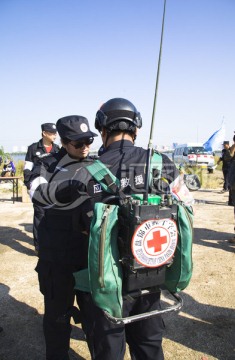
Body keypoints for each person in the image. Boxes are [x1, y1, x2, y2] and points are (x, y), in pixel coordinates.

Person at [74, 98, 193, 360]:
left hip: (106, 280)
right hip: (152, 271)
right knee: (149, 343)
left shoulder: (86, 171)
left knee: (109, 348)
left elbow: (81, 227)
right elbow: (187, 205)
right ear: (136, 128)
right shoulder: (161, 163)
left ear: (103, 130)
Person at [29, 115, 98, 360]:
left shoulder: (97, 164)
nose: (86, 147)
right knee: (57, 319)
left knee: (95, 319)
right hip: (56, 258)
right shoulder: (46, 165)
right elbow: (36, 193)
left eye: (89, 140)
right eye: (79, 143)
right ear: (65, 142)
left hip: (88, 258)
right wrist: (65, 189)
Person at [23, 123, 60, 252]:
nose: (55, 135)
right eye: (52, 133)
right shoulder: (33, 148)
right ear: (44, 133)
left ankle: (53, 243)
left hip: (53, 187)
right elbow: (27, 168)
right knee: (40, 214)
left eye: (56, 133)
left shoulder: (57, 149)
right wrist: (28, 184)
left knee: (53, 214)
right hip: (37, 185)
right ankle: (39, 247)